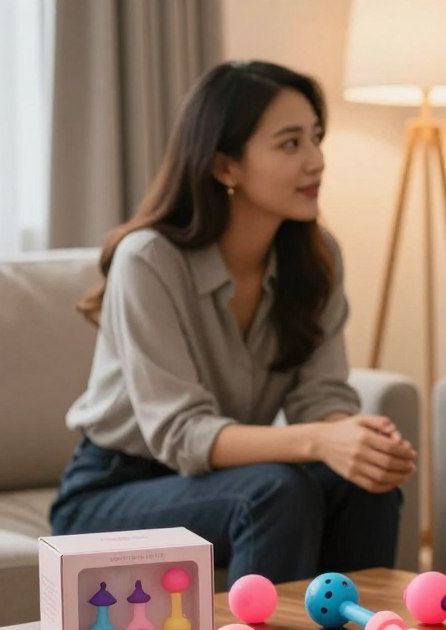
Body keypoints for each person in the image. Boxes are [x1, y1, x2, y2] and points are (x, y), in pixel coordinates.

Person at [51, 61, 415, 587]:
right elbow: (180, 434)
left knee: (362, 482)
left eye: (315, 138)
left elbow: (320, 397)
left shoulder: (316, 258)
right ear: (225, 166)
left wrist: (356, 438)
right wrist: (318, 442)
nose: (316, 161)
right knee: (275, 489)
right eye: (290, 144)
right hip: (112, 491)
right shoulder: (148, 260)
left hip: (230, 477)